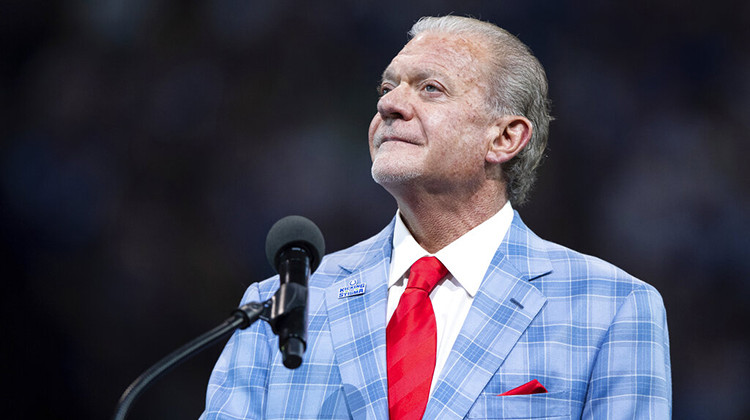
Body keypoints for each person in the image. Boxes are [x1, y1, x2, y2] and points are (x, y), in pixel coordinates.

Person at [200, 15, 671, 419]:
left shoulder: (612, 308)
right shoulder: (280, 306)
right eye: (387, 87)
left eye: (430, 89)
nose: (389, 104)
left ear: (504, 138)